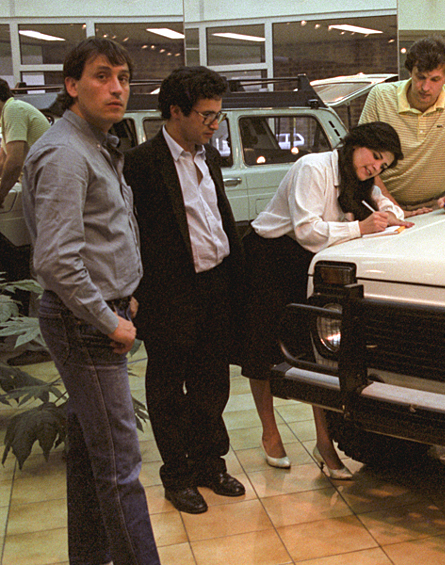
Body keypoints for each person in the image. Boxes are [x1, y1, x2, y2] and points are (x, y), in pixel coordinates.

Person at [21, 37, 161, 565]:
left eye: (123, 77)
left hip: (101, 314)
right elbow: (57, 261)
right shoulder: (65, 152)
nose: (116, 88)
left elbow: (102, 235)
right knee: (121, 467)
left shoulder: (96, 142)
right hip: (88, 325)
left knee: (90, 454)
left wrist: (125, 296)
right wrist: (110, 318)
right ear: (71, 85)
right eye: (102, 76)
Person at [242, 121, 410, 479]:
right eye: (374, 157)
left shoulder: (362, 178)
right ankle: (269, 433)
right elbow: (307, 230)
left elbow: (386, 206)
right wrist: (361, 227)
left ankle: (325, 442)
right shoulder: (313, 167)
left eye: (383, 166)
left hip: (313, 261)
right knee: (262, 351)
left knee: (317, 353)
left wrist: (395, 217)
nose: (375, 168)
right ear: (355, 144)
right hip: (271, 256)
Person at [123, 66, 246, 515]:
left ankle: (209, 464)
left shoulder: (207, 156)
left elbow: (217, 219)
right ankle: (176, 475)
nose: (215, 125)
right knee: (169, 388)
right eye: (207, 116)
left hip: (214, 283)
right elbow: (129, 235)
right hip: (168, 293)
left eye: (218, 115)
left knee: (213, 382)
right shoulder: (140, 163)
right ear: (176, 112)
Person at [358, 35, 445, 215]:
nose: (425, 87)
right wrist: (394, 208)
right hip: (381, 204)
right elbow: (362, 160)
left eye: (435, 80)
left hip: (435, 206)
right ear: (410, 73)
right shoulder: (380, 96)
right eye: (420, 77)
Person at [0, 78, 50, 204]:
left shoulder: (14, 109)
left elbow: (14, 162)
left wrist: (1, 194)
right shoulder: (6, 114)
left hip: (47, 186)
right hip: (38, 185)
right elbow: (3, 160)